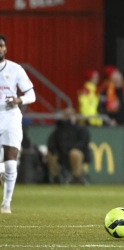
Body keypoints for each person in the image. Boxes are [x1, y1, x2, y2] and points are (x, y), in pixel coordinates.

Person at [0, 34, 36, 214]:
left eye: (1, 46)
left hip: (11, 116)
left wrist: (18, 99)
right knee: (4, 164)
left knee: (11, 162)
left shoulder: (15, 69)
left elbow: (32, 95)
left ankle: (6, 203)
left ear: (5, 49)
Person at [47, 108, 90, 185]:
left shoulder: (81, 129)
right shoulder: (59, 129)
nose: (68, 118)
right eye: (66, 116)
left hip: (78, 154)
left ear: (75, 117)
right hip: (62, 155)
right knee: (50, 154)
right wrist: (55, 150)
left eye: (70, 116)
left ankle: (77, 177)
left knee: (74, 153)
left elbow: (83, 143)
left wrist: (70, 149)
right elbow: (51, 142)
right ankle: (56, 178)